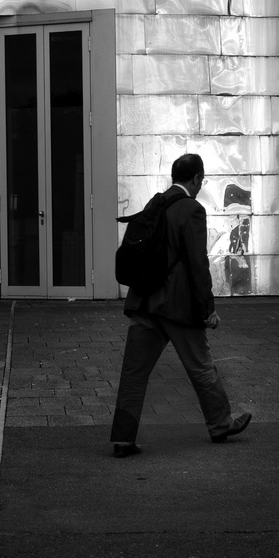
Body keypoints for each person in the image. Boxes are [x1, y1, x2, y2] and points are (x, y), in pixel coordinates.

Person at [109, 152, 250, 456]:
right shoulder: (192, 209)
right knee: (201, 365)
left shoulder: (155, 203)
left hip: (144, 300)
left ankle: (123, 439)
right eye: (202, 179)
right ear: (197, 178)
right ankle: (221, 424)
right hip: (175, 305)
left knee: (134, 372)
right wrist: (208, 307)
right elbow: (198, 264)